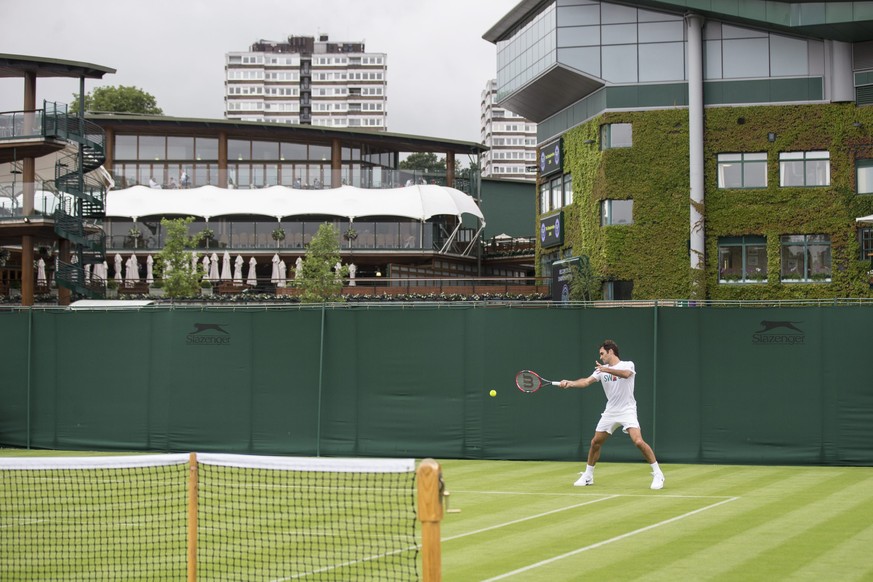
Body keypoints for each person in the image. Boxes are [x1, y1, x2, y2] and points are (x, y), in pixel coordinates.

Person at [559, 339, 665, 490]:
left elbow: (626, 374)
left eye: (602, 354)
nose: (601, 357)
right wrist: (569, 383)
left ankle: (658, 474)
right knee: (595, 442)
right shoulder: (600, 370)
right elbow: (586, 382)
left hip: (627, 410)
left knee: (638, 442)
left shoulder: (627, 364)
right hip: (610, 411)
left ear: (610, 351)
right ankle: (588, 475)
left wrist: (606, 370)